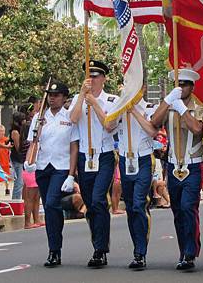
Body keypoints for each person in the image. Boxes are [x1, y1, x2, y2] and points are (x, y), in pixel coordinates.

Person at [151, 68, 203, 271]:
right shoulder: (170, 103)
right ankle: (183, 251)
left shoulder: (199, 106)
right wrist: (167, 102)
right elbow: (154, 123)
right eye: (178, 84)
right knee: (177, 211)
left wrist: (182, 108)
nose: (181, 88)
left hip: (193, 164)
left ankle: (190, 253)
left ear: (192, 86)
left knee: (188, 207)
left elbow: (198, 131)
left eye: (185, 84)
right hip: (173, 165)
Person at [68, 60, 118, 268]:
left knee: (98, 200)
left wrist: (95, 103)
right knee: (91, 204)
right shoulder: (77, 99)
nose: (92, 80)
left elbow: (109, 126)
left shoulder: (111, 100)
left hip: (104, 155)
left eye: (96, 76)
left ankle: (100, 248)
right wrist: (82, 96)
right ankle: (98, 242)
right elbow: (73, 118)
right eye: (89, 76)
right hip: (84, 157)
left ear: (104, 79)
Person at [23, 81, 74, 268]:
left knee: (52, 203)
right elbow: (33, 142)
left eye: (57, 95)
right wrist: (29, 162)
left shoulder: (69, 117)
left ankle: (55, 248)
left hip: (61, 166)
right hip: (43, 166)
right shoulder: (39, 117)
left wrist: (71, 173)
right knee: (50, 206)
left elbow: (73, 145)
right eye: (50, 95)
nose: (52, 98)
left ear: (64, 98)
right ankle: (54, 248)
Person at [108, 99, 159, 270]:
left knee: (139, 204)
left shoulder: (150, 107)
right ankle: (137, 247)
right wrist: (120, 109)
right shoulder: (120, 106)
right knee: (130, 207)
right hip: (125, 159)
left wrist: (134, 111)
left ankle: (141, 252)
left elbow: (152, 131)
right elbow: (109, 127)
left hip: (143, 158)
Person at [9, 111, 27, 200]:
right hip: (17, 158)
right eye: (23, 119)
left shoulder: (20, 131)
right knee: (19, 182)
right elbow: (18, 147)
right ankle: (15, 201)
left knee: (21, 181)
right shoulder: (15, 132)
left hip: (20, 158)